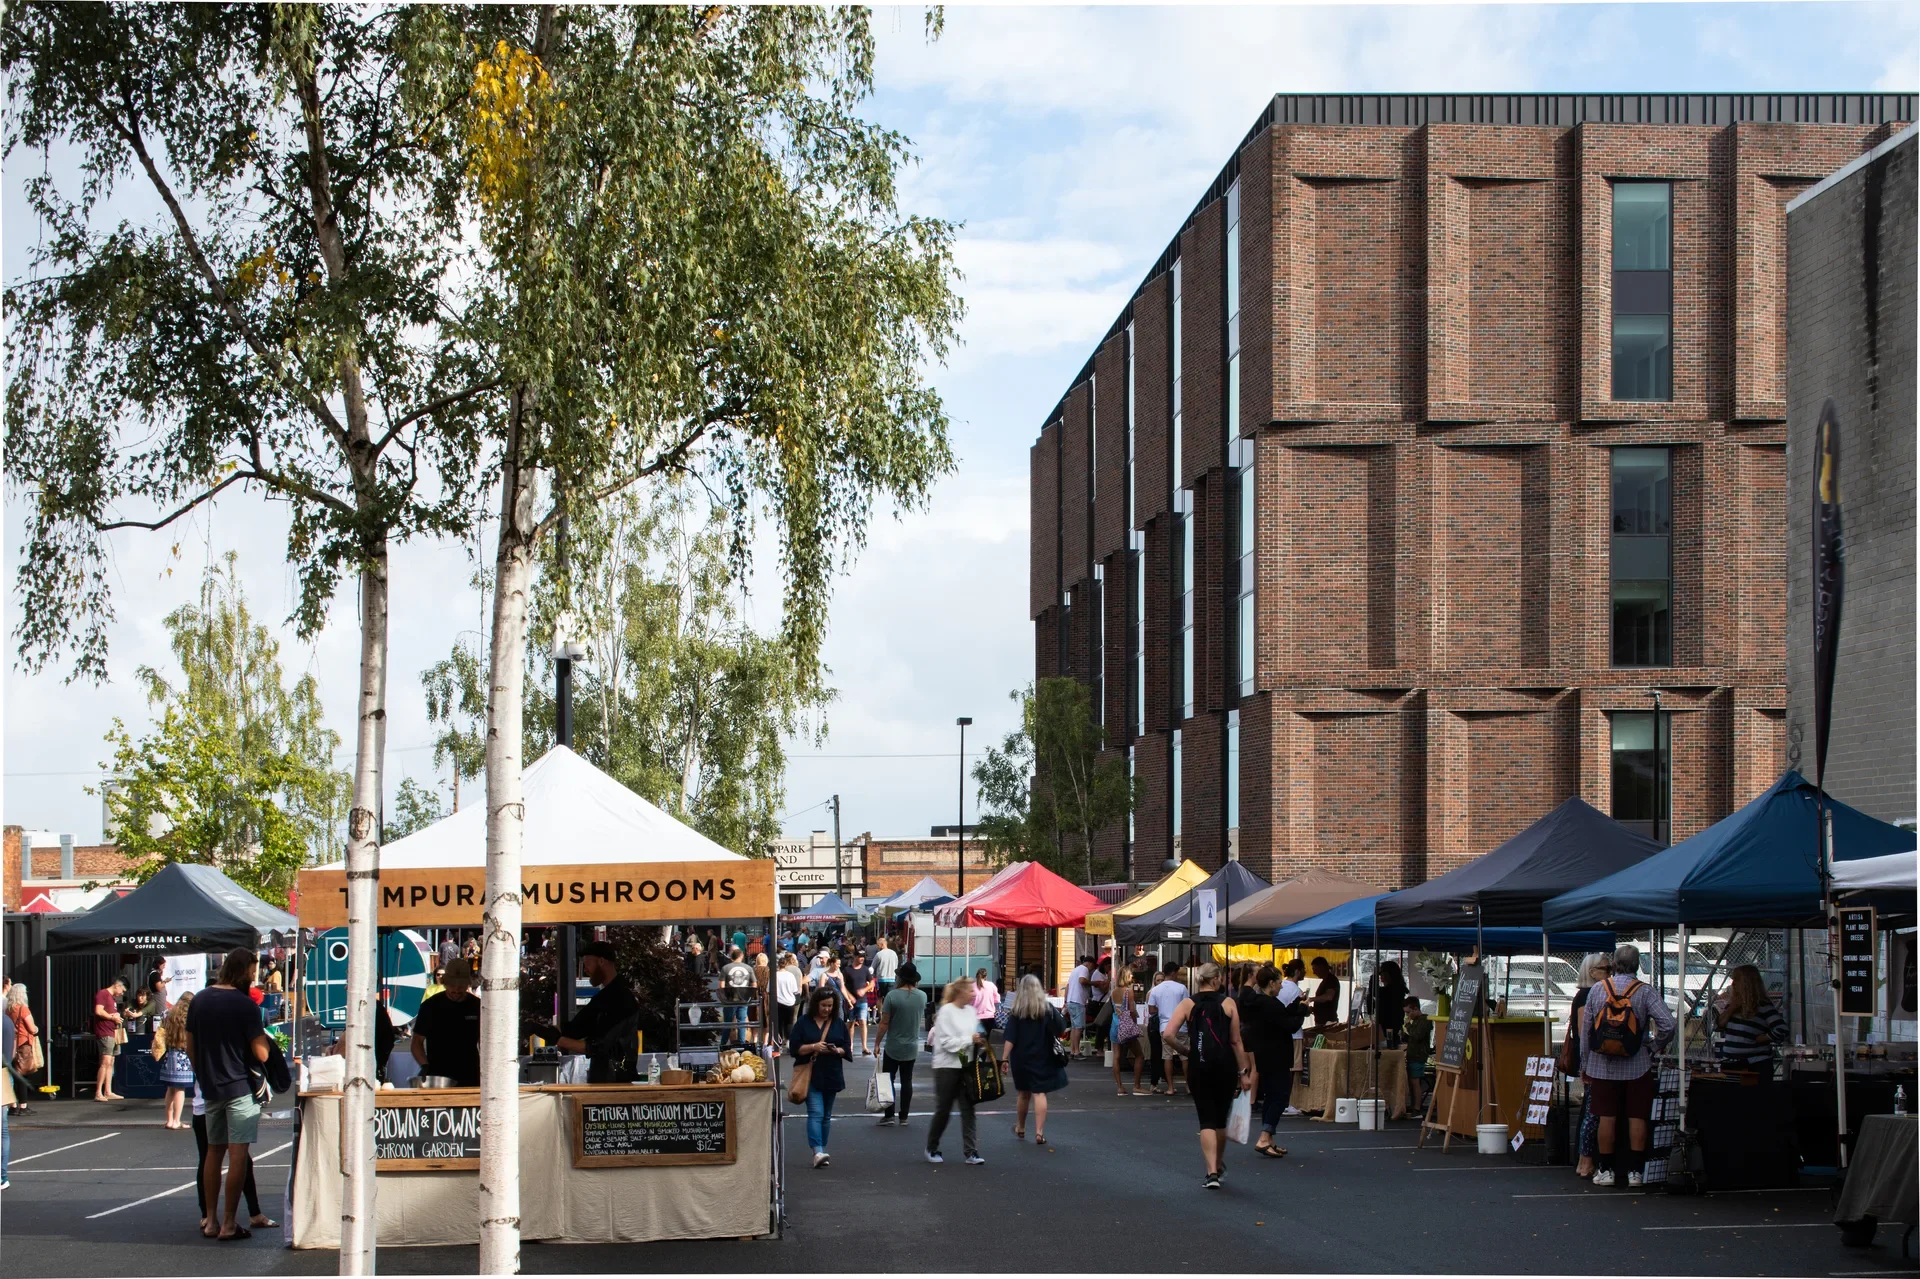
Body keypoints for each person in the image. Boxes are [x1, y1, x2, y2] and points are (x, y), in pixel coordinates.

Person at [184, 948, 272, 1240]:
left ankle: (210, 1220)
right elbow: (260, 1051)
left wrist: (203, 1075)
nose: (254, 975)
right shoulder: (244, 1004)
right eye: (253, 969)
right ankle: (229, 1223)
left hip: (210, 1087)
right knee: (238, 1155)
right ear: (245, 968)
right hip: (239, 1086)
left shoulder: (199, 999)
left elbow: (190, 1046)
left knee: (213, 1152)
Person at [1579, 944, 1676, 1189]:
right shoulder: (1645, 991)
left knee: (1606, 1117)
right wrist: (1652, 1047)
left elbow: (1587, 1031)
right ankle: (1635, 1172)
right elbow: (1669, 1024)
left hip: (1602, 1065)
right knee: (1637, 1117)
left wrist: (1586, 1063)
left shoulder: (1599, 990)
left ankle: (1606, 1170)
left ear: (1613, 965)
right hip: (1638, 1064)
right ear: (1637, 966)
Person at [1161, 963, 1253, 1189]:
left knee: (1206, 1120)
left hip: (1198, 1065)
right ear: (1215, 980)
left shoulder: (1188, 1003)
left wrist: (1185, 1051)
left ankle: (1211, 1172)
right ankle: (1218, 1164)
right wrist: (1244, 1073)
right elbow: (1235, 1041)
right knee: (1220, 1119)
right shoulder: (1228, 1003)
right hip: (1225, 1067)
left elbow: (1168, 1034)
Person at [547, 941, 641, 1083]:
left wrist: (559, 1039)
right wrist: (543, 1030)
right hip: (602, 1076)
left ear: (602, 961)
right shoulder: (602, 998)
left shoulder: (621, 998)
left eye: (587, 964)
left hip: (617, 1081)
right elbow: (576, 1029)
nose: (585, 970)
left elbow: (599, 1046)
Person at [924, 974, 988, 1165]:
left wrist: (979, 1040)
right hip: (946, 1066)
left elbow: (975, 1032)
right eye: (970, 990)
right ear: (960, 992)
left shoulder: (970, 1011)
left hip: (965, 1064)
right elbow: (945, 1042)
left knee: (968, 1108)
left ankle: (971, 1152)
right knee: (944, 1109)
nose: (973, 994)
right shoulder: (946, 1012)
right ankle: (932, 1147)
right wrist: (970, 1040)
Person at [788, 985, 851, 1167]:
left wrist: (836, 1050)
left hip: (832, 1073)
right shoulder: (803, 1023)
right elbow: (794, 1049)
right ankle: (817, 1151)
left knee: (826, 1115)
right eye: (824, 1005)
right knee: (816, 1113)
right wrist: (813, 1047)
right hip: (811, 1074)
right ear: (816, 1004)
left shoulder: (838, 1023)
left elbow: (846, 1048)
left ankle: (821, 1149)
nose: (827, 1009)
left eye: (830, 1006)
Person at [1000, 973, 1068, 1143]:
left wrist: (1004, 1059)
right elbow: (1061, 1028)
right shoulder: (1046, 1009)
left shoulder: (1017, 1012)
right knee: (1039, 1093)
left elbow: (1010, 1038)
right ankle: (1039, 1133)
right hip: (1043, 1056)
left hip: (1021, 1058)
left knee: (1024, 1094)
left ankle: (1021, 1128)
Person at [1237, 964, 1296, 1156]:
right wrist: (1302, 1012)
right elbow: (1288, 1024)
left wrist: (1296, 1006)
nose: (1281, 987)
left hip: (1264, 1052)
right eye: (1279, 983)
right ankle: (1264, 1136)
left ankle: (1268, 1139)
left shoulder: (1258, 1002)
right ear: (1271, 983)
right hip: (1276, 1054)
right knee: (1280, 1095)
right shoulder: (1270, 1004)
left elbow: (1282, 1017)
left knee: (1271, 1095)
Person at [1564, 953, 1613, 1178]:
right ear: (1593, 972)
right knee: (1593, 1110)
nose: (1610, 972)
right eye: (1606, 968)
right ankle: (1584, 1160)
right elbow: (1585, 1031)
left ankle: (1585, 1158)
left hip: (1591, 1059)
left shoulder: (1591, 993)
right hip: (1591, 1060)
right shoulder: (1586, 995)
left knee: (1592, 1109)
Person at [410, 958, 482, 1087]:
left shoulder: (477, 1006)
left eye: (461, 986)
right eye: (452, 985)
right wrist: (424, 1065)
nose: (456, 990)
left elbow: (486, 1042)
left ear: (468, 984)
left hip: (470, 1072)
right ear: (444, 983)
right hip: (438, 1074)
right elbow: (416, 1042)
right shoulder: (430, 1006)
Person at [874, 962, 928, 1125]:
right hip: (911, 1045)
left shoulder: (892, 996)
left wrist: (877, 1043)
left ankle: (889, 1115)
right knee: (907, 1081)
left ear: (900, 978)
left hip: (893, 1045)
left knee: (889, 1079)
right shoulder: (922, 996)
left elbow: (884, 1023)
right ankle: (904, 1116)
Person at [1714, 964, 1787, 1072]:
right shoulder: (1733, 1005)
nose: (1733, 984)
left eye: (1737, 980)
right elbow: (1719, 1025)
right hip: (1731, 1061)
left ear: (1747, 983)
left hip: (1754, 1064)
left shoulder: (1763, 1006)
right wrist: (1732, 1008)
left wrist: (1763, 1038)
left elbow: (1781, 1029)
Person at [1144, 964, 1190, 1096]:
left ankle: (1170, 1087)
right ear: (1174, 973)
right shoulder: (1182, 988)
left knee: (1167, 1056)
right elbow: (1187, 1007)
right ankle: (1188, 1086)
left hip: (1165, 1027)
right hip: (1181, 1026)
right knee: (1185, 1056)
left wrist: (1163, 1010)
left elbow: (1151, 1009)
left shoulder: (1156, 990)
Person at [153, 992, 196, 1129]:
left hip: (169, 1054)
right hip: (183, 1055)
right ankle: (177, 1121)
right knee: (180, 1089)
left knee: (170, 1088)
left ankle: (169, 1120)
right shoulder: (189, 1017)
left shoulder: (167, 1014)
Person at [1108, 965, 1145, 1095]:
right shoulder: (1128, 991)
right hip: (1126, 1025)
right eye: (1130, 975)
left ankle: (1120, 1087)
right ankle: (1137, 1086)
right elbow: (1132, 1010)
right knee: (1139, 1055)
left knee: (1116, 1056)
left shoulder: (1113, 992)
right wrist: (1135, 1024)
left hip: (1115, 1024)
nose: (1132, 977)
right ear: (1126, 977)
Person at [5, 981, 40, 1117]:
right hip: (23, 1044)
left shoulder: (9, 1010)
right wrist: (36, 1029)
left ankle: (13, 1106)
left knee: (13, 1075)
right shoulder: (23, 1009)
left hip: (11, 1044)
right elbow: (32, 1028)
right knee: (23, 1075)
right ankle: (23, 1106)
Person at [91, 975, 128, 1102]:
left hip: (113, 1032)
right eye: (122, 991)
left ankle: (108, 1091)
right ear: (117, 985)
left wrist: (118, 1016)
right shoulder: (103, 994)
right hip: (105, 1032)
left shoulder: (111, 999)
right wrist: (112, 1018)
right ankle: (98, 1092)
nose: (121, 994)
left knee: (111, 1062)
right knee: (105, 1062)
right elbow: (98, 1010)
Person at [1279, 959, 1308, 1114]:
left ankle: (1283, 1101)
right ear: (1297, 971)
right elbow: (1295, 1010)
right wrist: (1305, 1007)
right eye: (1303, 969)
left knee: (1284, 1068)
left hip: (1282, 1032)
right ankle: (1288, 1102)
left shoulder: (1281, 986)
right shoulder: (1296, 990)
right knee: (1293, 1069)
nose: (1305, 972)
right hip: (1294, 1033)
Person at [719, 947, 758, 1047]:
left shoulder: (725, 968)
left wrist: (724, 998)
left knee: (727, 1023)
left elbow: (721, 986)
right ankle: (742, 1044)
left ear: (732, 956)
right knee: (742, 1022)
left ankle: (723, 1044)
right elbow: (754, 984)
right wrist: (749, 996)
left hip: (730, 999)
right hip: (743, 998)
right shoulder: (749, 968)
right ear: (741, 956)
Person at [1402, 996, 1432, 1111]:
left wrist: (1407, 1026)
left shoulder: (1424, 1020)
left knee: (1415, 1082)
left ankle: (1417, 1107)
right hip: (1413, 1054)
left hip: (1418, 1056)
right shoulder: (1417, 1021)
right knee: (1412, 1081)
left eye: (1408, 1012)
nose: (1407, 1015)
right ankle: (1414, 1105)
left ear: (1415, 1009)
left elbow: (1417, 1035)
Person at [843, 952, 875, 1055]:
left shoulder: (865, 969)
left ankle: (864, 1046)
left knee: (863, 1022)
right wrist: (849, 997)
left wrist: (864, 990)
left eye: (863, 957)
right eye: (860, 957)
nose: (862, 959)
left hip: (862, 1000)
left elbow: (872, 983)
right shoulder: (847, 970)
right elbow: (842, 986)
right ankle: (850, 1045)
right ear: (855, 957)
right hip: (850, 1001)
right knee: (851, 1023)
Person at [1371, 961, 1409, 1045]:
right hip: (1387, 1026)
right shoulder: (1396, 988)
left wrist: (1373, 976)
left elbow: (1374, 991)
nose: (1380, 976)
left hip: (1390, 1026)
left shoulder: (1394, 989)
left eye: (1382, 973)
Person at [1064, 954, 1093, 1057]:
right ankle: (1076, 1051)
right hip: (1078, 1001)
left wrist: (1065, 1000)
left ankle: (1072, 1050)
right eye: (1092, 966)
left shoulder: (1074, 970)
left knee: (1074, 1027)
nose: (1091, 970)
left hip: (1071, 1001)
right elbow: (1082, 980)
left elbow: (1067, 986)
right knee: (1079, 1028)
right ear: (1089, 963)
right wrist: (1092, 983)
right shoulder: (1084, 969)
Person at [774, 953, 803, 1046]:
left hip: (778, 1002)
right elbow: (795, 990)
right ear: (786, 964)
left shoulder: (775, 975)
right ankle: (788, 1042)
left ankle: (779, 1042)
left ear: (778, 965)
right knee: (789, 1023)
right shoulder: (790, 976)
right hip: (790, 1002)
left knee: (779, 1023)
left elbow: (769, 989)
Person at [970, 967, 1001, 1046]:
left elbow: (970, 1002)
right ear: (986, 976)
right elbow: (997, 999)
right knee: (990, 1040)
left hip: (976, 1017)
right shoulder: (991, 985)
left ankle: (979, 1057)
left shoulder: (972, 986)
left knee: (978, 1041)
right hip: (990, 1015)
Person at [1308, 956, 1342, 1026]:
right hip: (1321, 1021)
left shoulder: (1331, 980)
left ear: (1322, 967)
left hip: (1328, 1023)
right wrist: (1314, 1009)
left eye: (1315, 969)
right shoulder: (1324, 981)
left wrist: (1311, 999)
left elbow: (1329, 996)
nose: (1314, 972)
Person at [872, 934, 899, 1002]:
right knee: (889, 998)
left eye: (878, 945)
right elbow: (896, 965)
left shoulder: (879, 954)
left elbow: (872, 967)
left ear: (882, 945)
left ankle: (880, 1012)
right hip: (892, 979)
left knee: (880, 997)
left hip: (881, 979)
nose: (877, 947)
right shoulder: (894, 953)